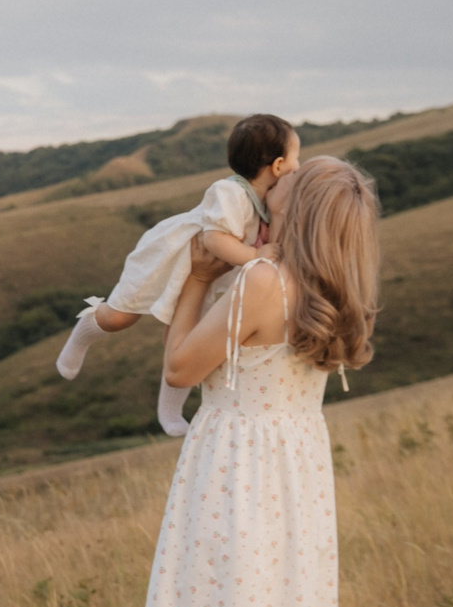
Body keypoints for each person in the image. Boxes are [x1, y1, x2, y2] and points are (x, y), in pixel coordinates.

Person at [119, 155, 382, 607]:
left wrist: (201, 273)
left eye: (283, 190)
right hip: (297, 484)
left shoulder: (264, 282)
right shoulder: (339, 288)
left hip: (237, 481)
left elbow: (180, 368)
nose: (268, 192)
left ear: (296, 215)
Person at [55, 114, 302, 436]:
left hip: (210, 277)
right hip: (168, 259)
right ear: (280, 164)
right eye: (298, 156)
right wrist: (255, 256)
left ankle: (169, 411)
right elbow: (215, 239)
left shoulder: (269, 200)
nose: (300, 164)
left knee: (185, 338)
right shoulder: (230, 192)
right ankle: (86, 329)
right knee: (120, 317)